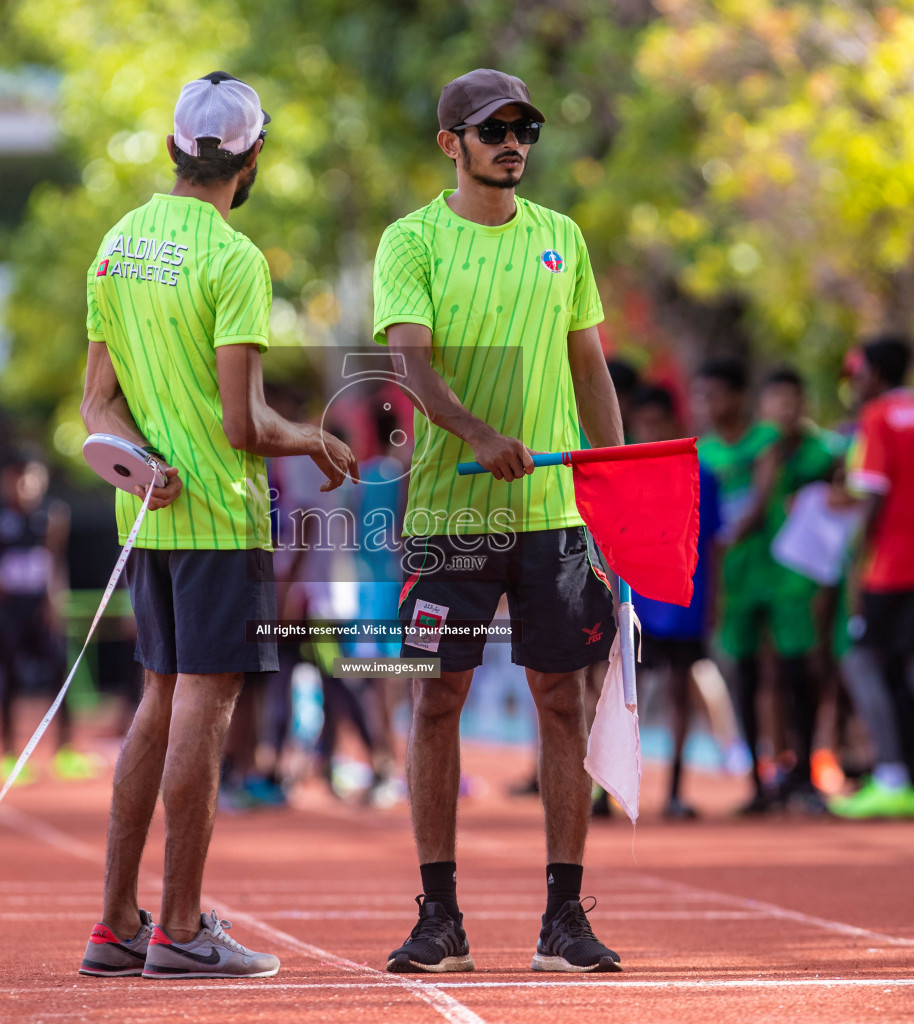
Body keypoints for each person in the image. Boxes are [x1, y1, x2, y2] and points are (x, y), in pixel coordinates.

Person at [76, 71, 356, 982]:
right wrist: (312, 439)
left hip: (146, 519)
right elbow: (244, 428)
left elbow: (96, 407)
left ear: (172, 150)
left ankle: (117, 923)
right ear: (253, 156)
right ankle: (183, 925)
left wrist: (139, 461)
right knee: (202, 709)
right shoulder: (235, 260)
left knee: (156, 707)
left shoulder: (116, 247)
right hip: (220, 519)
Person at [373, 68, 625, 974]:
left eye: (524, 128)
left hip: (555, 514)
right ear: (452, 144)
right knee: (438, 699)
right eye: (494, 130)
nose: (513, 142)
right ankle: (438, 916)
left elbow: (589, 368)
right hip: (450, 513)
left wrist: (615, 482)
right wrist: (478, 435)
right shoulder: (411, 241)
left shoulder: (562, 239)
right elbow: (408, 364)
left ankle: (564, 917)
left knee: (567, 701)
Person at [830, 335, 914, 822]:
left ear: (874, 374)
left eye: (858, 373)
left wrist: (859, 563)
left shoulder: (878, 418)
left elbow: (872, 497)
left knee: (861, 662)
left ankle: (890, 776)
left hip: (893, 564)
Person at [730, 366, 845, 811]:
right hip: (746, 575)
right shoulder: (751, 448)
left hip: (798, 578)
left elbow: (845, 500)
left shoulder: (825, 452)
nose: (786, 409)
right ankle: (758, 782)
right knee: (750, 676)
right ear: (763, 407)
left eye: (794, 400)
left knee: (802, 672)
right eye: (777, 400)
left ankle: (803, 774)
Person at [0, 449, 88, 785]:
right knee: (8, 679)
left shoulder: (53, 514)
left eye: (33, 476)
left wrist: (57, 600)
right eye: (18, 476)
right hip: (8, 608)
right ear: (5, 479)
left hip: (41, 608)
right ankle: (10, 756)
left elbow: (55, 560)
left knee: (61, 676)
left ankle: (65, 752)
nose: (26, 484)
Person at [630, 385, 722, 819]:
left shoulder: (704, 476)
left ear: (674, 424)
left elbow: (716, 544)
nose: (648, 432)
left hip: (686, 602)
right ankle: (609, 791)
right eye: (641, 424)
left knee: (679, 695)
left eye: (655, 423)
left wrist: (714, 600)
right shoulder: (627, 476)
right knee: (627, 696)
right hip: (640, 606)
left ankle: (674, 791)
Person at [694, 358, 780, 814]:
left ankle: (787, 767)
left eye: (714, 394)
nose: (706, 404)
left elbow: (762, 500)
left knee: (781, 673)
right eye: (700, 395)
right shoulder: (703, 451)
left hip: (774, 572)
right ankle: (759, 778)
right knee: (744, 675)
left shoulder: (764, 440)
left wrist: (730, 535)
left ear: (738, 397)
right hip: (730, 579)